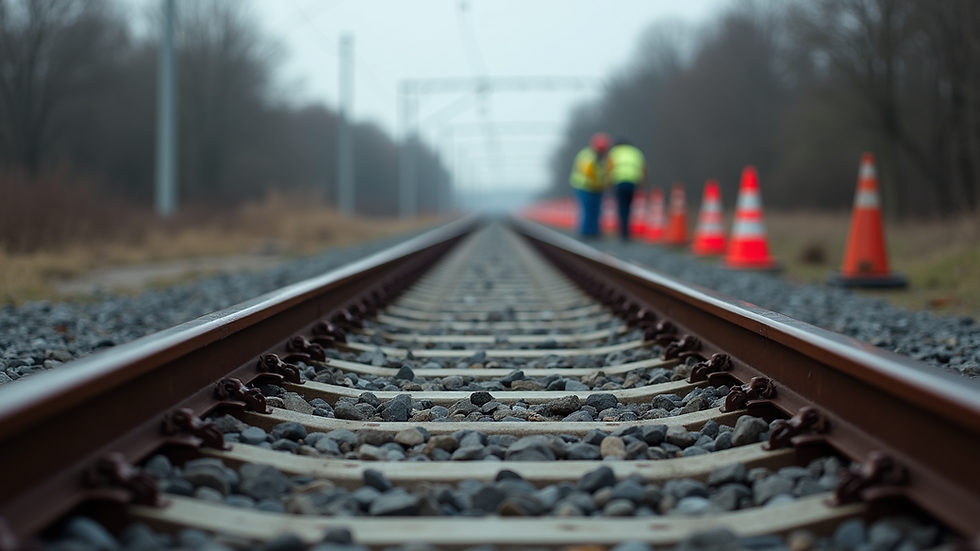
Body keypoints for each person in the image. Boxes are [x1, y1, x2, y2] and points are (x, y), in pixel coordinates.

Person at [569, 133, 611, 238]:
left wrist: (604, 183)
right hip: (584, 187)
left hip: (596, 188)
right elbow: (590, 172)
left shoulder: (602, 158)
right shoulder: (587, 156)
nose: (602, 151)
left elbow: (603, 173)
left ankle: (594, 231)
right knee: (588, 209)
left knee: (596, 210)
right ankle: (586, 232)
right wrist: (600, 183)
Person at [605, 137, 647, 241]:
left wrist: (608, 182)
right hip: (633, 182)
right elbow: (644, 168)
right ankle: (627, 232)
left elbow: (609, 168)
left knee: (622, 207)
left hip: (619, 181)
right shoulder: (636, 152)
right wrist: (642, 183)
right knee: (628, 207)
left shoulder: (614, 152)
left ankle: (624, 233)